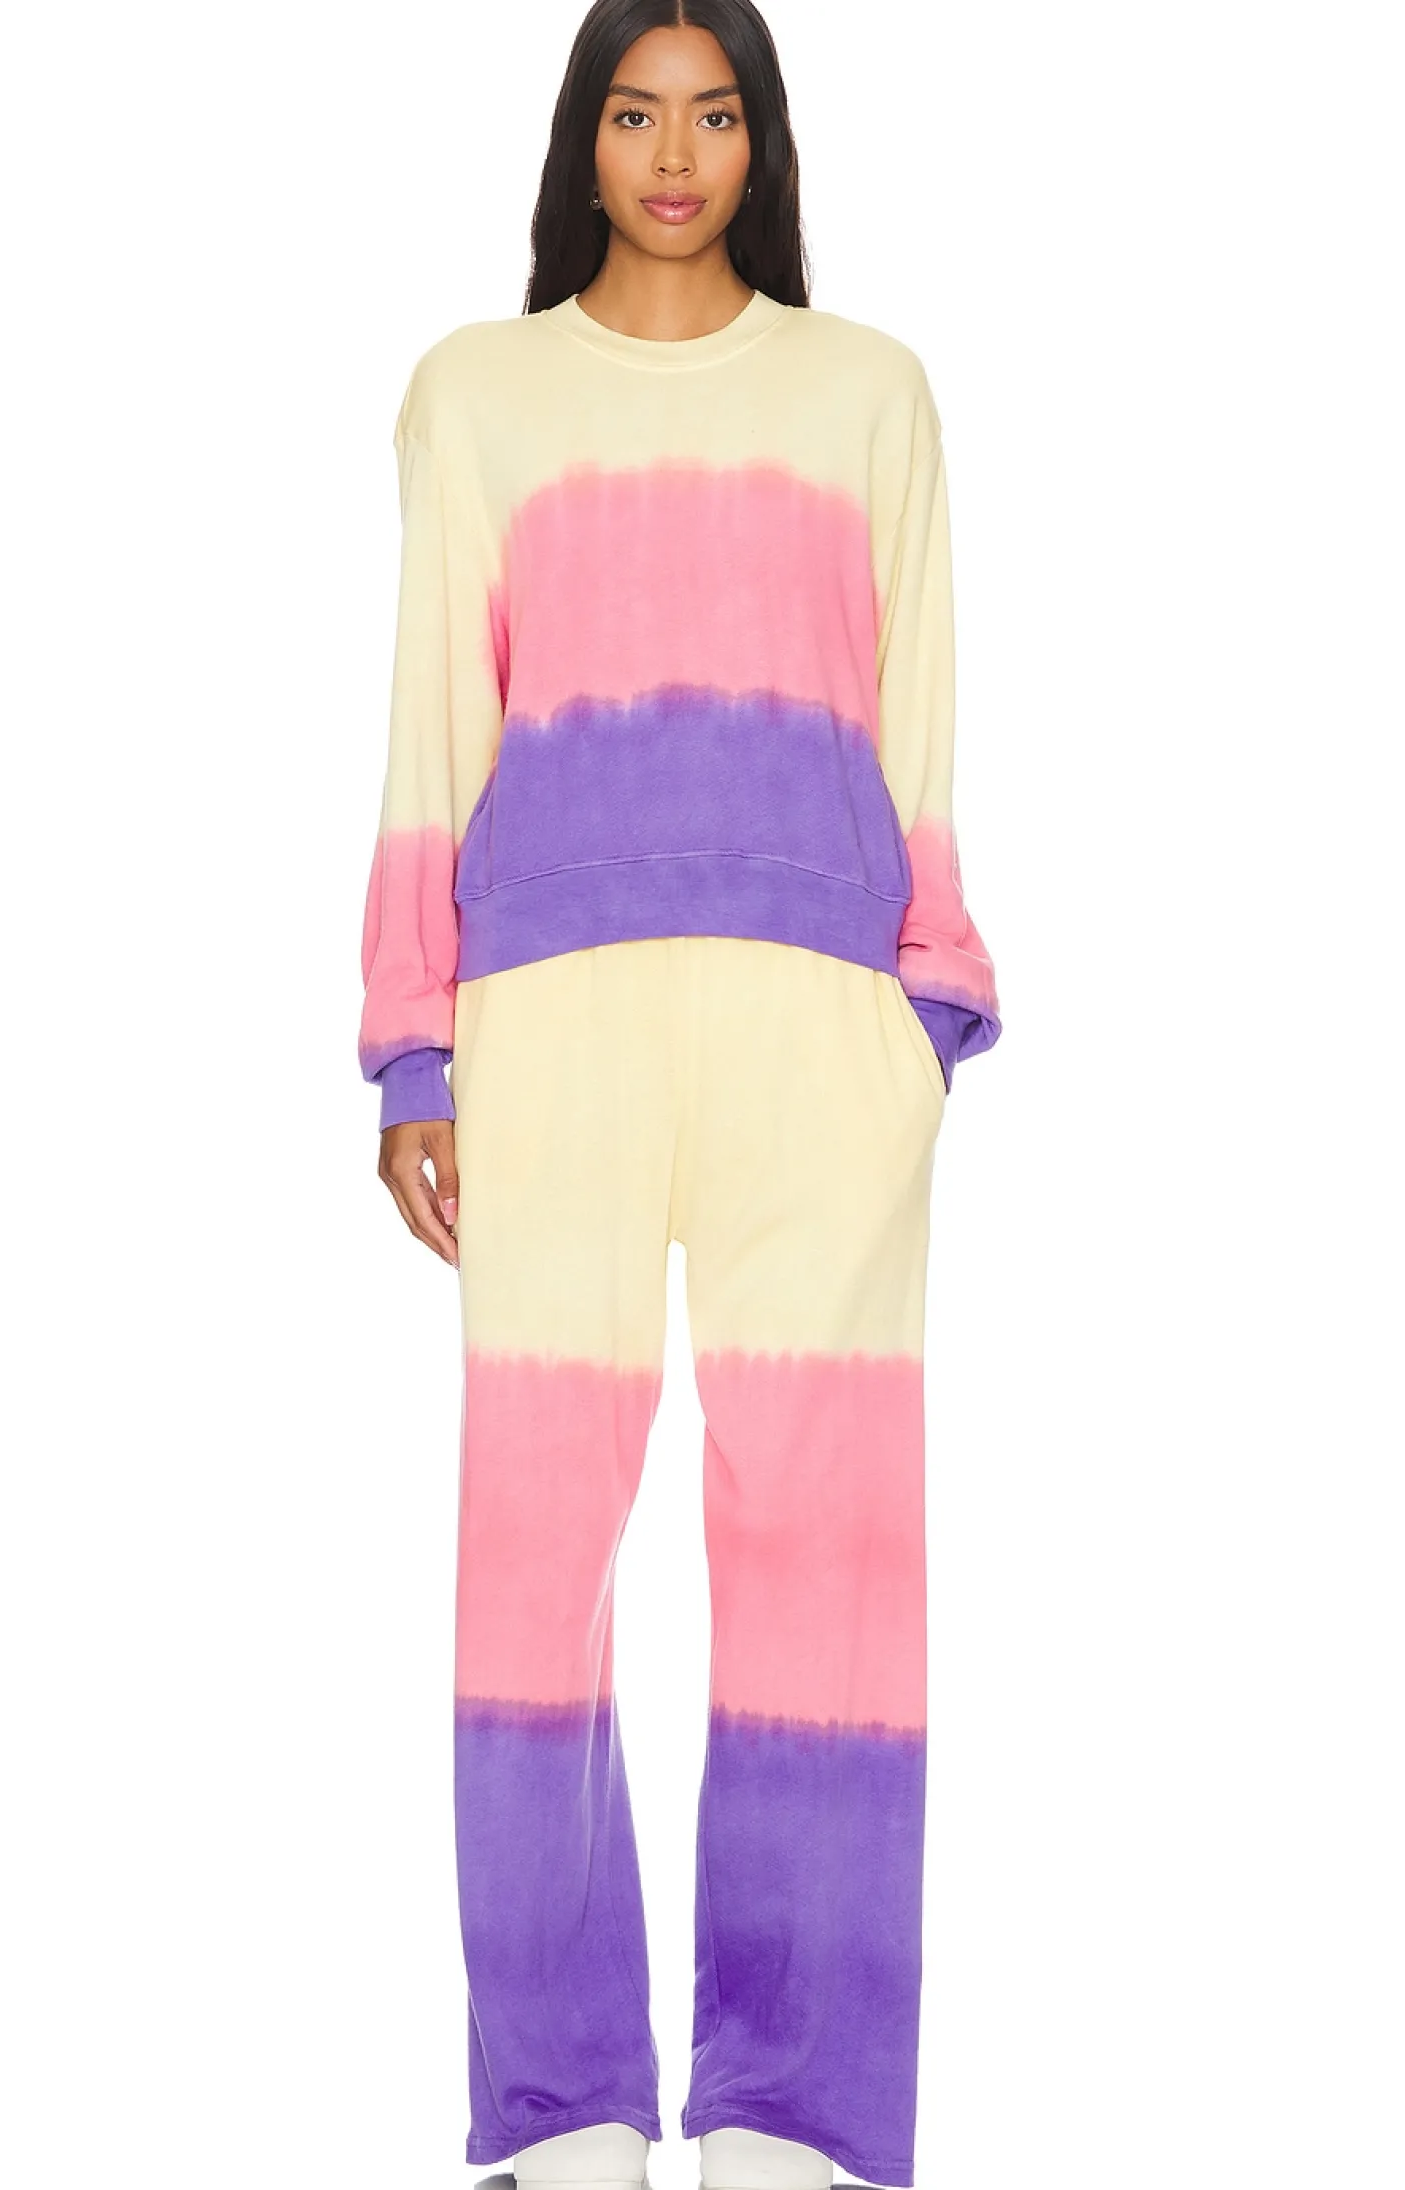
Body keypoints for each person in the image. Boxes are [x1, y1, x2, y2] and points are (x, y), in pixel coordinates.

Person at [356, 4, 1002, 2187]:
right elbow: (431, 722)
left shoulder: (868, 391)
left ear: (760, 143)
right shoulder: (476, 392)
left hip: (822, 1019)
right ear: (585, 139)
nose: (671, 152)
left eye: (713, 114)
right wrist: (414, 1039)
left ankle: (790, 2108)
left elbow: (921, 705)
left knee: (829, 1554)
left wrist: (926, 997)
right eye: (635, 112)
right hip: (549, 1014)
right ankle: (561, 2107)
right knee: (533, 1552)